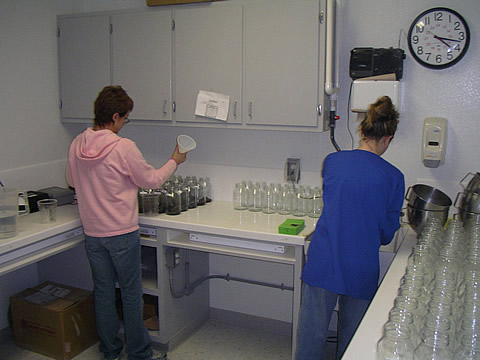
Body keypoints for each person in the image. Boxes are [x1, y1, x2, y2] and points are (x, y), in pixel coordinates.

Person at [66, 85, 186, 360]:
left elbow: (72, 182)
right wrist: (174, 161)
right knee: (132, 295)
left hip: (93, 233)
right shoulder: (123, 147)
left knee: (104, 293)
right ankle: (141, 354)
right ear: (116, 116)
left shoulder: (77, 144)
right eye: (125, 118)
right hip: (121, 232)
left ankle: (110, 351)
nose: (124, 124)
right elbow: (152, 180)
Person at [295, 96, 405, 360]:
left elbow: (337, 202)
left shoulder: (333, 162)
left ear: (362, 130)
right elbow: (387, 232)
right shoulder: (394, 177)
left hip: (325, 260)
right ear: (387, 138)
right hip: (361, 265)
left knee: (311, 337)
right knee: (353, 340)